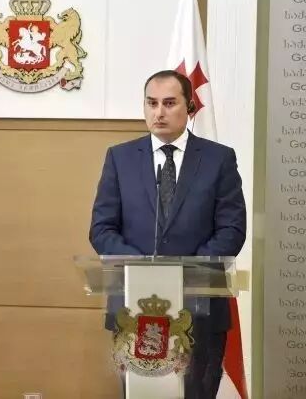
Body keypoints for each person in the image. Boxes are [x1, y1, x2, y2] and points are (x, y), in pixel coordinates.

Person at [90, 70, 246, 399]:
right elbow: (102, 229)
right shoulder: (120, 157)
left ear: (189, 107)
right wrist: (145, 270)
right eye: (151, 103)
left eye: (169, 103)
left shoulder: (219, 159)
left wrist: (183, 271)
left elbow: (232, 230)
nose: (158, 112)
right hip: (134, 310)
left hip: (199, 309)